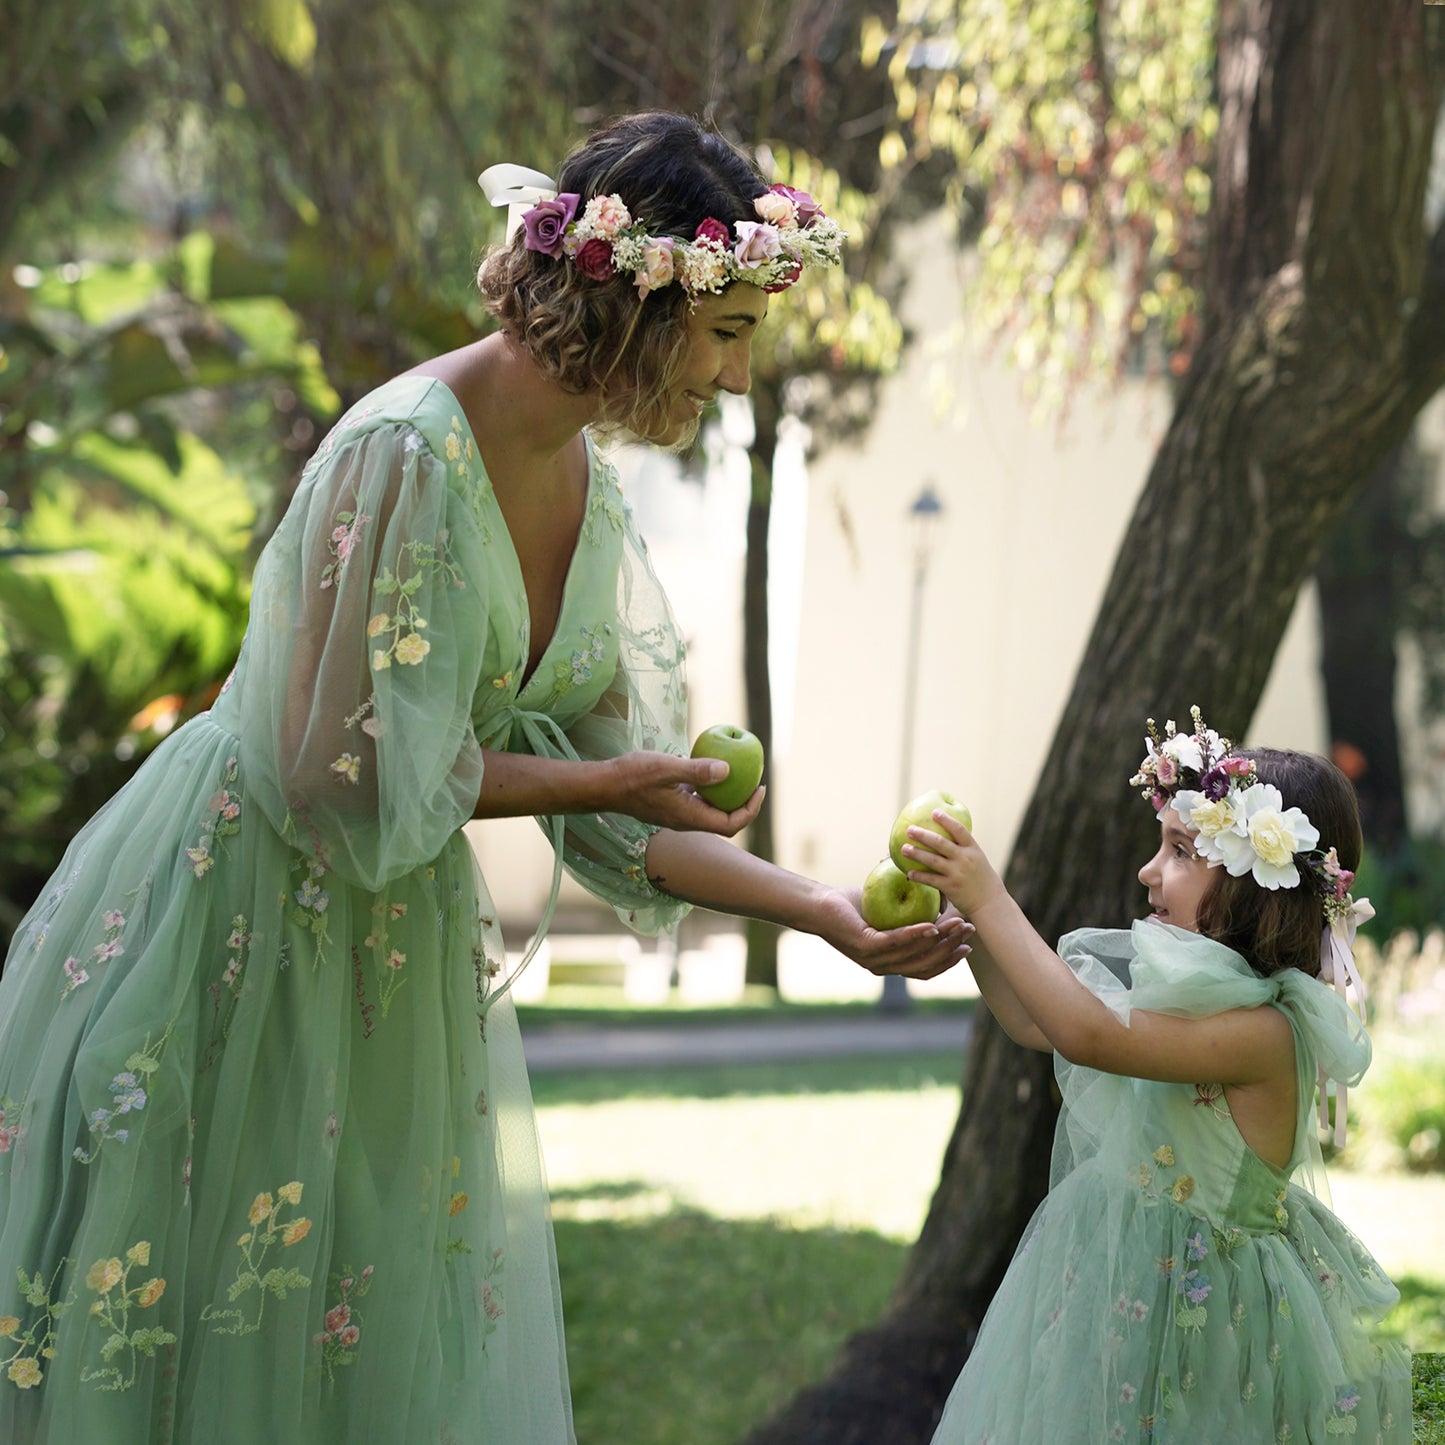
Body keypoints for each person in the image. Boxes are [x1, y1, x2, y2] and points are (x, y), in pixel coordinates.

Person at [0, 111, 967, 1443]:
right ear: (639, 303)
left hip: (388, 969)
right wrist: (608, 782)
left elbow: (628, 820)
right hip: (237, 934)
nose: (739, 379)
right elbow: (333, 774)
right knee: (208, 1349)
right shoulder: (406, 450)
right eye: (730, 332)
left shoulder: (592, 488)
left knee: (358, 1358)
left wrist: (822, 910)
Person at [901, 708, 1411, 1443]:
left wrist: (991, 895)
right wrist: (971, 927)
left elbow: (1084, 1031)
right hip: (1114, 1286)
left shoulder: (1263, 1033)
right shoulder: (1188, 1000)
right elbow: (1034, 1020)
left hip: (1202, 1321)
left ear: (1257, 881)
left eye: (1178, 849)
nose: (1148, 870)